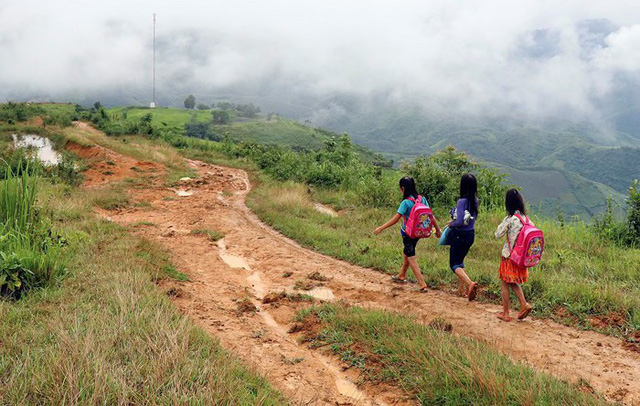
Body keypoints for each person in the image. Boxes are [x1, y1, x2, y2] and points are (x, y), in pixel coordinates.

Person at [374, 177, 442, 293]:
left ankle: (422, 283)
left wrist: (381, 228)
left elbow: (396, 219)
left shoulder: (405, 202)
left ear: (403, 188)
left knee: (411, 256)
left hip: (408, 233)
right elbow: (431, 215)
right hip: (419, 233)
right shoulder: (422, 199)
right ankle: (401, 275)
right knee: (407, 252)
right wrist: (438, 229)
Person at [495, 188, 533, 321]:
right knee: (513, 282)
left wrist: (502, 222)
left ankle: (506, 313)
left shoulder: (510, 219)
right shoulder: (527, 220)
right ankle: (524, 304)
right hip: (521, 258)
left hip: (509, 256)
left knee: (505, 283)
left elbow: (497, 234)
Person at [446, 174, 479, 301]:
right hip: (470, 234)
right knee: (460, 261)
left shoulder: (461, 202)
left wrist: (451, 224)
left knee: (454, 264)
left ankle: (470, 283)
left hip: (460, 234)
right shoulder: (475, 201)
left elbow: (459, 221)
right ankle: (462, 290)